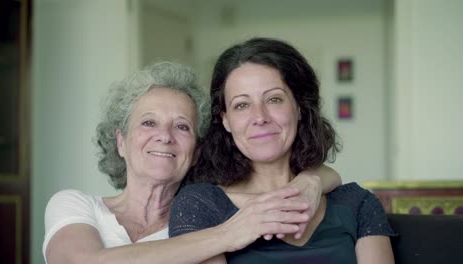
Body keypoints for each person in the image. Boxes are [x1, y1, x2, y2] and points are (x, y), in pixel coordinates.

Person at [42, 61, 342, 263]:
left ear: (197, 150)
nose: (165, 137)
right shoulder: (75, 205)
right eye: (148, 123)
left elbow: (327, 179)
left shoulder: (203, 213)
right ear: (120, 141)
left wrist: (311, 179)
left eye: (182, 126)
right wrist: (227, 235)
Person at [169, 38, 396, 263]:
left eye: (274, 99)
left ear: (299, 107)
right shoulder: (201, 205)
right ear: (225, 120)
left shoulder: (358, 203)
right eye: (242, 105)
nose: (260, 117)